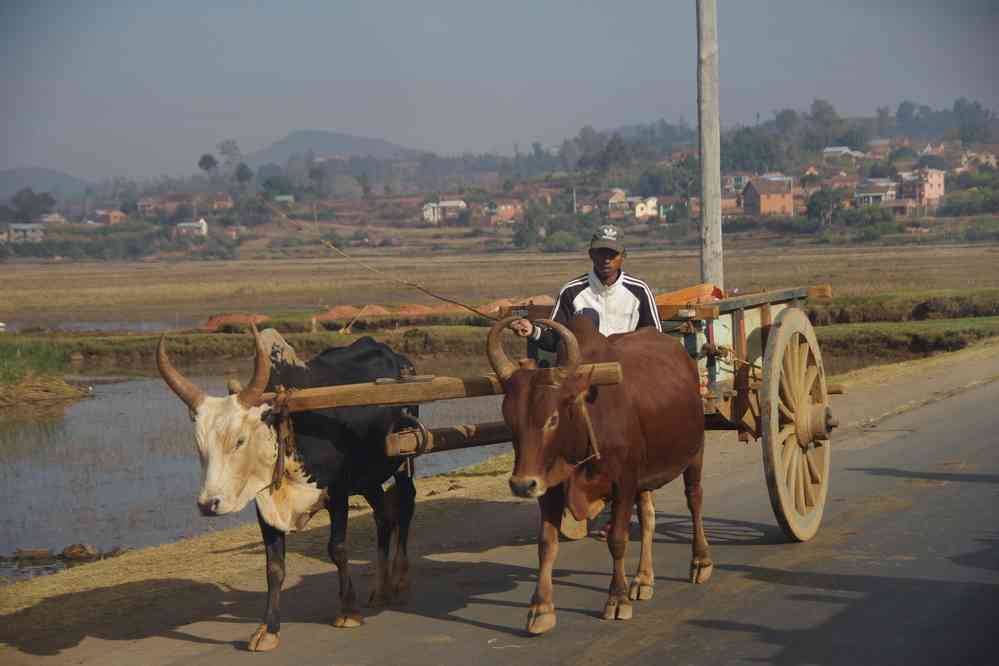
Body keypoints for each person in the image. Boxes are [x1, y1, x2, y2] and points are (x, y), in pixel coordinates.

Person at [510, 224, 661, 539]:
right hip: (579, 382)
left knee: (620, 446)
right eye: (599, 253)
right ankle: (572, 492)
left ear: (622, 256)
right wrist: (533, 331)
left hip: (624, 381)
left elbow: (653, 340)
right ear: (590, 255)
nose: (605, 259)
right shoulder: (572, 291)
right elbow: (554, 336)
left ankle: (614, 504)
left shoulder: (639, 291)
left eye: (611, 253)